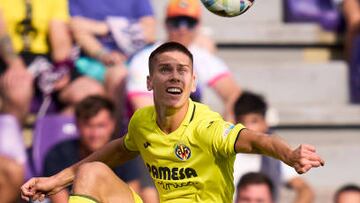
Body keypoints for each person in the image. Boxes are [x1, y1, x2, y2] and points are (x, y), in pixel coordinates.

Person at [21, 42, 324, 203]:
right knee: (91, 171)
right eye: (166, 70)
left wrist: (289, 154)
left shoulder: (208, 126)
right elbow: (118, 149)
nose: (175, 75)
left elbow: (258, 140)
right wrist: (55, 181)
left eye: (183, 70)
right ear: (150, 82)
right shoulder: (142, 122)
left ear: (193, 82)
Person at [127, 0, 241, 121]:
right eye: (176, 22)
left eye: (189, 23)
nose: (183, 29)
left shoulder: (202, 57)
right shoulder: (144, 59)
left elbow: (234, 96)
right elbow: (145, 113)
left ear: (198, 26)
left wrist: (223, 131)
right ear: (166, 24)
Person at [0, 0, 104, 122]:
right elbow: (2, 34)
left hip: (44, 60)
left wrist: (62, 67)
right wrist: (15, 65)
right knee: (18, 91)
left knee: (93, 94)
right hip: (8, 58)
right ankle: (10, 138)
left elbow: (59, 36)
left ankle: (50, 136)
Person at [42, 95, 141, 203]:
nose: (95, 134)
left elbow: (131, 194)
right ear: (77, 125)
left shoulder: (123, 154)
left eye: (100, 126)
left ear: (112, 125)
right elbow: (60, 201)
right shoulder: (58, 154)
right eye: (88, 126)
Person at [233, 91, 314, 203]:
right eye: (242, 122)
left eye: (254, 121)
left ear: (265, 123)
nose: (248, 128)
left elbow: (305, 190)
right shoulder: (223, 153)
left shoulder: (276, 157)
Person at [68, 0, 156, 101]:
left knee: (119, 75)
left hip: (133, 60)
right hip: (90, 63)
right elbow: (76, 27)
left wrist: (106, 27)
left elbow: (149, 32)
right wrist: (104, 55)